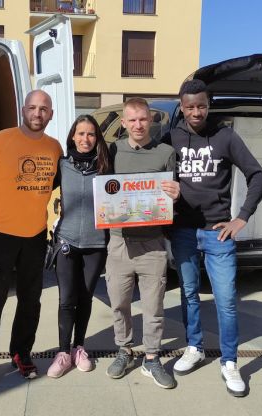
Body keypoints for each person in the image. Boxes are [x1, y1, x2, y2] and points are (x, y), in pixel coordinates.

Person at [164, 79, 262, 397]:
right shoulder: (171, 136)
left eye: (202, 105)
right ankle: (193, 347)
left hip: (217, 234)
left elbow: (257, 175)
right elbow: (147, 162)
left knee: (225, 301)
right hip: (183, 231)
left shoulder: (225, 136)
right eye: (190, 106)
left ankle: (230, 361)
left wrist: (242, 217)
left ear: (209, 105)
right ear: (181, 106)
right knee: (189, 295)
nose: (196, 111)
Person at [0, 90, 63, 389]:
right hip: (1, 235)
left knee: (30, 302)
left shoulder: (55, 148)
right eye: (32, 107)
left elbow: (61, 187)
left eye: (43, 109)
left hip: (35, 237)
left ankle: (21, 353)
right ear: (23, 109)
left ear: (51, 114)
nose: (37, 113)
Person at [104, 97, 180, 389]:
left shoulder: (166, 152)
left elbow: (173, 196)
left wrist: (176, 194)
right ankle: (124, 350)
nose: (138, 125)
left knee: (153, 306)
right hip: (119, 242)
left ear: (152, 121)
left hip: (153, 243)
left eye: (143, 119)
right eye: (132, 119)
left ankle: (151, 358)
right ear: (123, 123)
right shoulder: (112, 151)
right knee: (120, 303)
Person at [46, 115, 112, 378]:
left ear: (97, 139)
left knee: (85, 297)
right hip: (67, 242)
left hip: (96, 244)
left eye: (91, 134)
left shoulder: (107, 167)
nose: (85, 139)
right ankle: (63, 353)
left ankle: (79, 348)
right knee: (67, 298)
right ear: (72, 136)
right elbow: (36, 189)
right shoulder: (61, 166)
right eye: (81, 134)